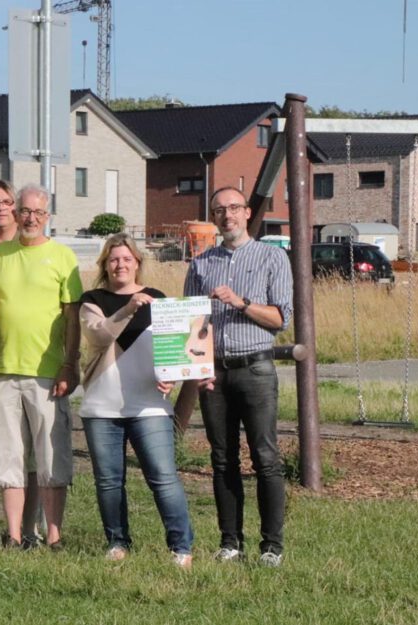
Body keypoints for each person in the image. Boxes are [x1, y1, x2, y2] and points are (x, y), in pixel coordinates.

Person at [182, 186, 293, 567]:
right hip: (215, 374)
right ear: (213, 218)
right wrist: (199, 369)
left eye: (233, 208)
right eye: (219, 211)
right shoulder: (200, 263)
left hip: (256, 369)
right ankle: (230, 542)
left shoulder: (272, 258)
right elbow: (190, 323)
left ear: (247, 213)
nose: (227, 216)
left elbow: (280, 319)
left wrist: (240, 302)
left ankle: (272, 546)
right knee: (222, 459)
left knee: (265, 457)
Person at [79, 233, 194, 568]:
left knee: (163, 476)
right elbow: (98, 336)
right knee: (109, 481)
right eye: (114, 259)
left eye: (127, 259)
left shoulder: (158, 299)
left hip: (150, 407)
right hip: (102, 407)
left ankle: (181, 547)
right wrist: (128, 309)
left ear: (138, 263)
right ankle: (117, 541)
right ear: (105, 265)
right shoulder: (92, 299)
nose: (120, 265)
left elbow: (177, 348)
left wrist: (174, 375)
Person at [0, 183, 83, 550]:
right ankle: (13, 535)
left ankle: (53, 536)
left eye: (38, 213)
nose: (30, 218)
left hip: (47, 373)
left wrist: (70, 364)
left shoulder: (63, 257)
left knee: (51, 457)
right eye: (24, 211)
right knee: (7, 457)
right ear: (15, 212)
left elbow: (73, 318)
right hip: (1, 371)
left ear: (48, 216)